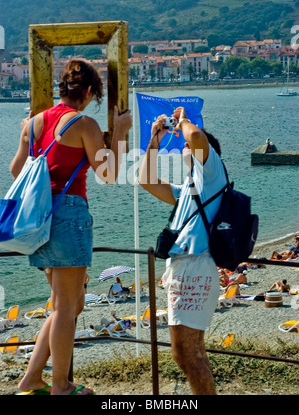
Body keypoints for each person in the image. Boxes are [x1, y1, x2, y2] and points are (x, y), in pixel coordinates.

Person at [13, 59, 132, 396]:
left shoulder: (32, 123)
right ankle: (61, 385)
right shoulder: (84, 124)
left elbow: (16, 170)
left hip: (37, 219)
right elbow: (107, 175)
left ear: (60, 88)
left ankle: (32, 378)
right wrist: (120, 133)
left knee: (69, 303)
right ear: (91, 91)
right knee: (67, 306)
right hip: (68, 215)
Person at [139, 106, 227, 396]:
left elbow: (199, 137)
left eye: (186, 145)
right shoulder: (191, 188)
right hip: (186, 268)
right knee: (192, 353)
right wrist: (154, 140)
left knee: (186, 354)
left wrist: (184, 121)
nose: (183, 147)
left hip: (194, 266)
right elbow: (146, 181)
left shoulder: (211, 171)